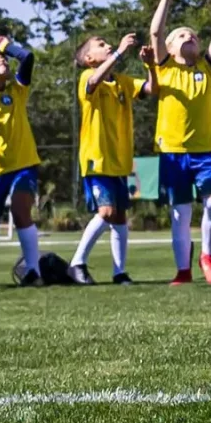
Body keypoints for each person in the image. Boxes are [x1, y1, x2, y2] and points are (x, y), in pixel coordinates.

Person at [146, 0, 211, 285]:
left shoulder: (206, 67)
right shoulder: (164, 67)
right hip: (172, 152)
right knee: (180, 213)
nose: (189, 37)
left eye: (192, 34)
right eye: (181, 35)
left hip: (205, 150)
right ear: (168, 47)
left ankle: (208, 255)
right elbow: (155, 31)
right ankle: (183, 270)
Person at [69, 25, 144, 285]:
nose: (107, 45)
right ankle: (77, 262)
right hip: (96, 158)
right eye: (100, 44)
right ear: (89, 59)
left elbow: (150, 89)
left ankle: (119, 272)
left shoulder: (122, 82)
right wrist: (121, 52)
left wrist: (154, 64)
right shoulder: (88, 77)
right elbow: (92, 83)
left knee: (120, 215)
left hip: (118, 160)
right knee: (107, 211)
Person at [0, 24, 45, 285]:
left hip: (24, 163)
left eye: (3, 59)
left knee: (20, 209)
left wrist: (5, 47)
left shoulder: (17, 90)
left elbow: (27, 58)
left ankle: (33, 270)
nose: (1, 60)